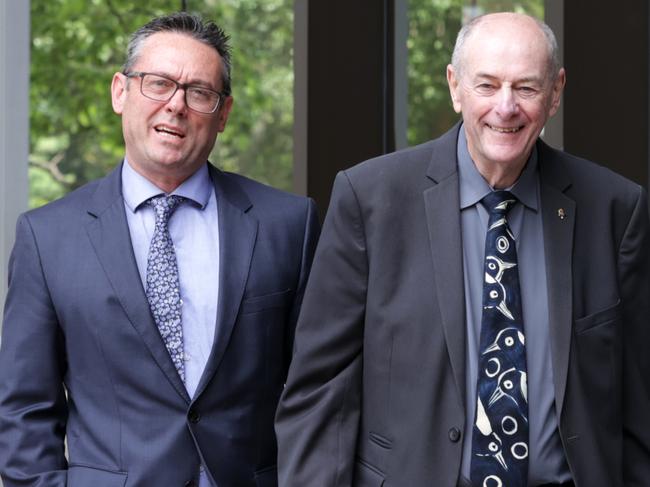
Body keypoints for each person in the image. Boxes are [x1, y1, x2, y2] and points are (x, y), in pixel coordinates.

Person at [275, 12, 650, 487]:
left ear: (555, 93)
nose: (506, 107)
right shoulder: (370, 199)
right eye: (487, 85)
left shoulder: (614, 209)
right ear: (455, 87)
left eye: (527, 88)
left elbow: (638, 405)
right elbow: (319, 393)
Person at [0, 12, 319, 487]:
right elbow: (25, 410)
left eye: (199, 93)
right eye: (158, 83)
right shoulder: (47, 238)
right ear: (119, 92)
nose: (176, 105)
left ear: (223, 114)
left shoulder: (288, 225)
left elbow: (317, 390)